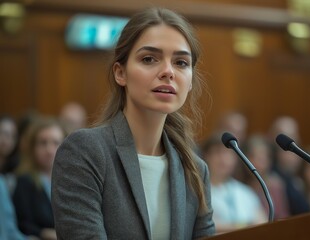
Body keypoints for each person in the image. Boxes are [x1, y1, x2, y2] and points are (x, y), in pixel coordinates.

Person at [51, 7, 215, 239]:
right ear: (121, 73)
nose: (168, 71)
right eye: (149, 59)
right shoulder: (85, 151)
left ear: (189, 82)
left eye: (181, 63)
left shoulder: (196, 170)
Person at [13, 117, 66, 240]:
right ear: (33, 148)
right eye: (43, 143)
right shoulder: (24, 181)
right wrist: (44, 233)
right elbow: (22, 224)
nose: (49, 149)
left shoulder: (72, 180)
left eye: (55, 142)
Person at [201, 133, 266, 233]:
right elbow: (203, 226)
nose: (223, 159)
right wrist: (244, 227)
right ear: (206, 155)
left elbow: (263, 222)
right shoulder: (199, 190)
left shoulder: (245, 191)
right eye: (217, 152)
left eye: (228, 153)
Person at [243, 134, 289, 219]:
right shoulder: (240, 185)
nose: (259, 161)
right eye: (254, 156)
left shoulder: (275, 186)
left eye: (263, 157)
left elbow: (282, 218)